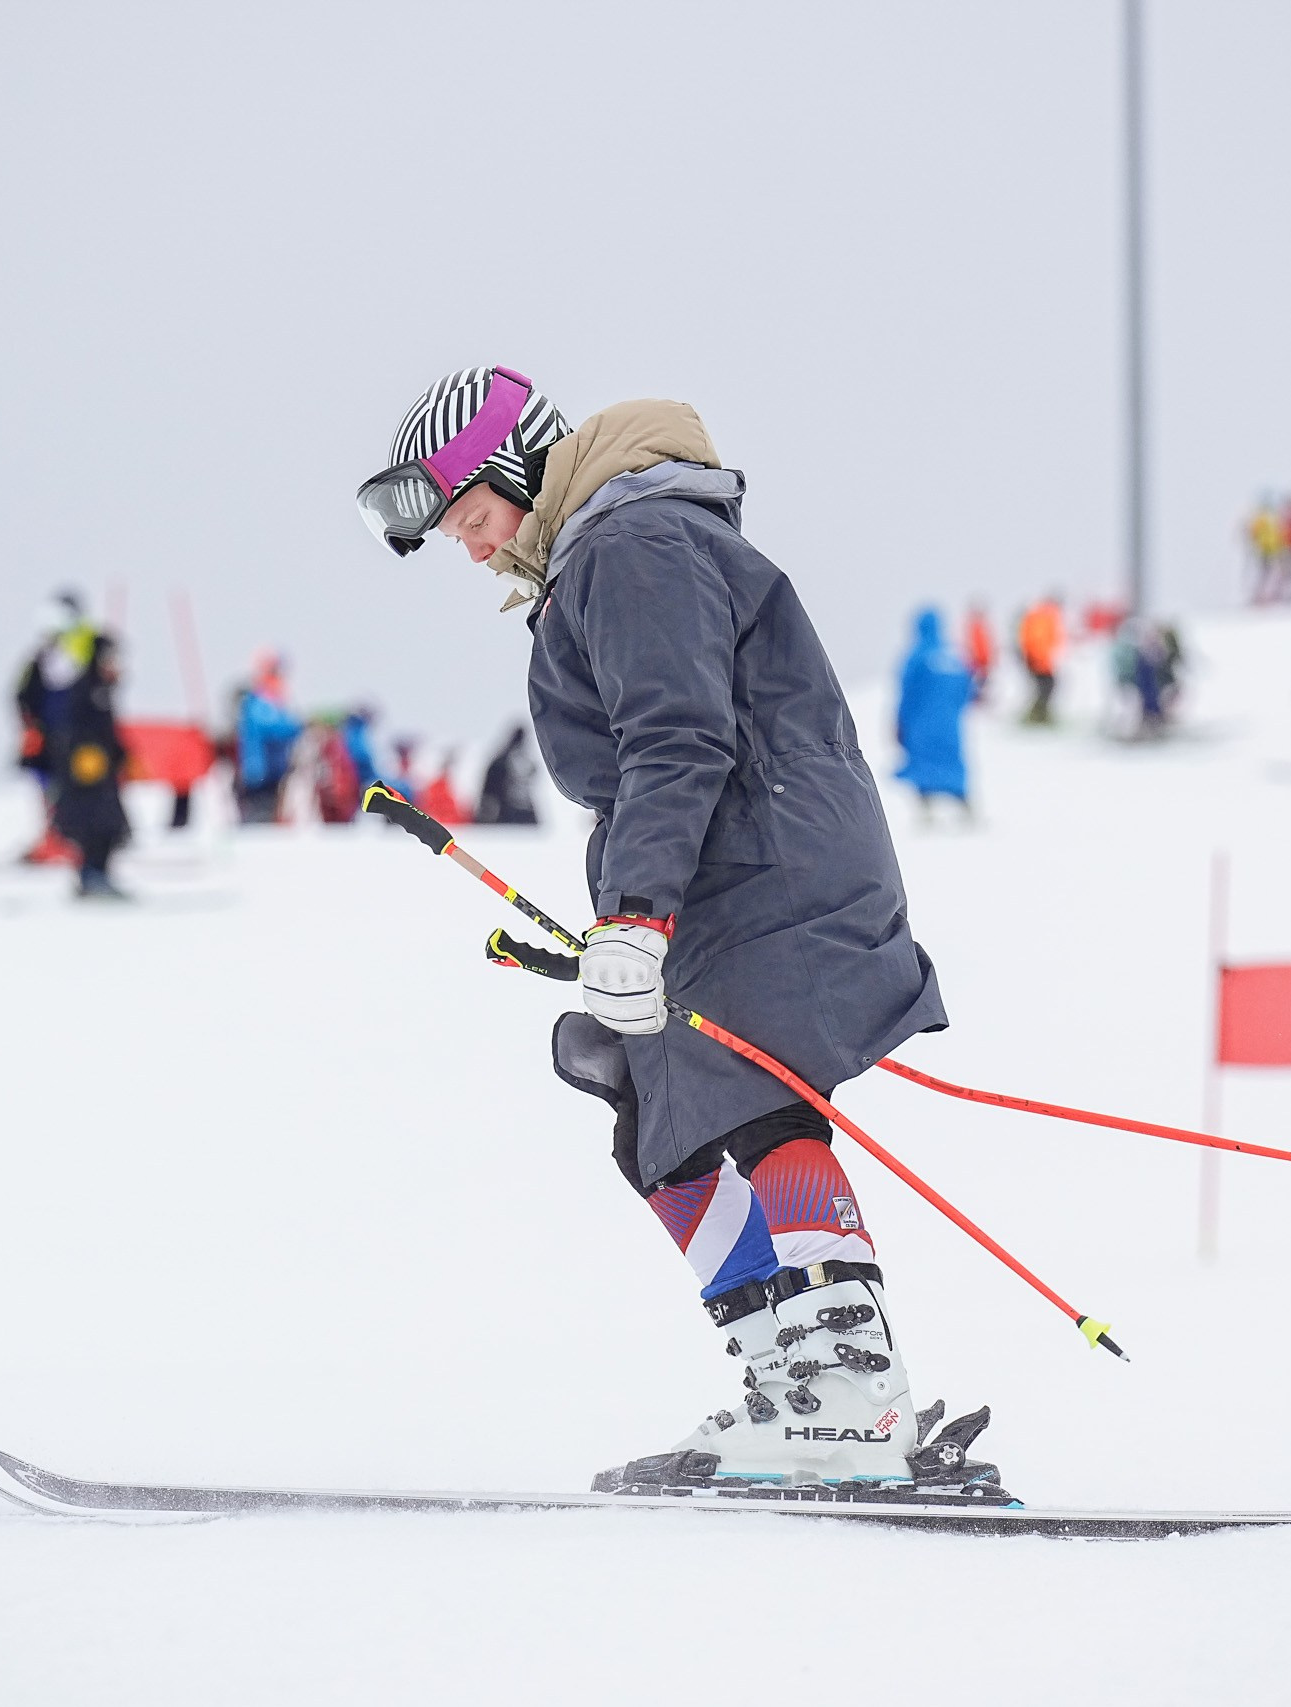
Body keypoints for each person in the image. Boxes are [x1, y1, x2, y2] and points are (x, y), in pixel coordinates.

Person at [356, 366, 957, 1494]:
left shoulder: (632, 546)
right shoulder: (603, 553)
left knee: (753, 1095)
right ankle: (795, 1380)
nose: (475, 551)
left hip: (767, 864)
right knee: (648, 1107)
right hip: (728, 865)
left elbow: (676, 740)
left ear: (516, 471)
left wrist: (636, 920)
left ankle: (850, 1393)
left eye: (475, 521)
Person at [14, 591, 99, 864]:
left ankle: (75, 841)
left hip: (80, 739)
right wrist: (30, 727)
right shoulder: (42, 657)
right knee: (51, 793)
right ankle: (54, 840)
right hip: (47, 740)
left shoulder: (89, 647)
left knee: (78, 793)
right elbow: (23, 694)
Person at [52, 633, 130, 898]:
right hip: (85, 776)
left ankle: (99, 874)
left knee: (111, 829)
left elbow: (108, 733)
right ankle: (91, 876)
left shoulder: (103, 690)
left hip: (102, 774)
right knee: (93, 827)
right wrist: (82, 756)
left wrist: (122, 755)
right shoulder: (86, 688)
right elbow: (74, 731)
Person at [893, 606, 974, 821]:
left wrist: (900, 722)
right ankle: (965, 804)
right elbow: (966, 689)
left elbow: (906, 691)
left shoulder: (917, 656)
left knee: (923, 761)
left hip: (921, 723)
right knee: (952, 759)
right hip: (949, 723)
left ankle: (925, 807)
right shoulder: (953, 655)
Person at [231, 654, 301, 824]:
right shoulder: (260, 701)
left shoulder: (271, 700)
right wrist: (296, 726)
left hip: (272, 768)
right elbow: (272, 728)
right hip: (261, 769)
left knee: (269, 810)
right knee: (260, 813)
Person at [475, 724, 541, 826]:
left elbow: (488, 790)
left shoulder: (502, 759)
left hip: (507, 813)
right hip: (511, 813)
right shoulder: (520, 761)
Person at [1016, 593, 1064, 725]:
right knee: (1046, 687)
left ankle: (1039, 713)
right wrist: (1038, 660)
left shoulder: (1046, 616)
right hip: (1038, 660)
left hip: (1041, 660)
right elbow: (1037, 640)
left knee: (1045, 687)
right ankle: (1036, 715)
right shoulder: (1042, 616)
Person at [961, 599, 995, 703]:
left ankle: (979, 702)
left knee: (982, 685)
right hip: (975, 663)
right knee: (976, 685)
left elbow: (987, 647)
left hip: (983, 662)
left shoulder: (982, 627)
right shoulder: (971, 627)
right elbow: (969, 646)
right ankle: (973, 702)